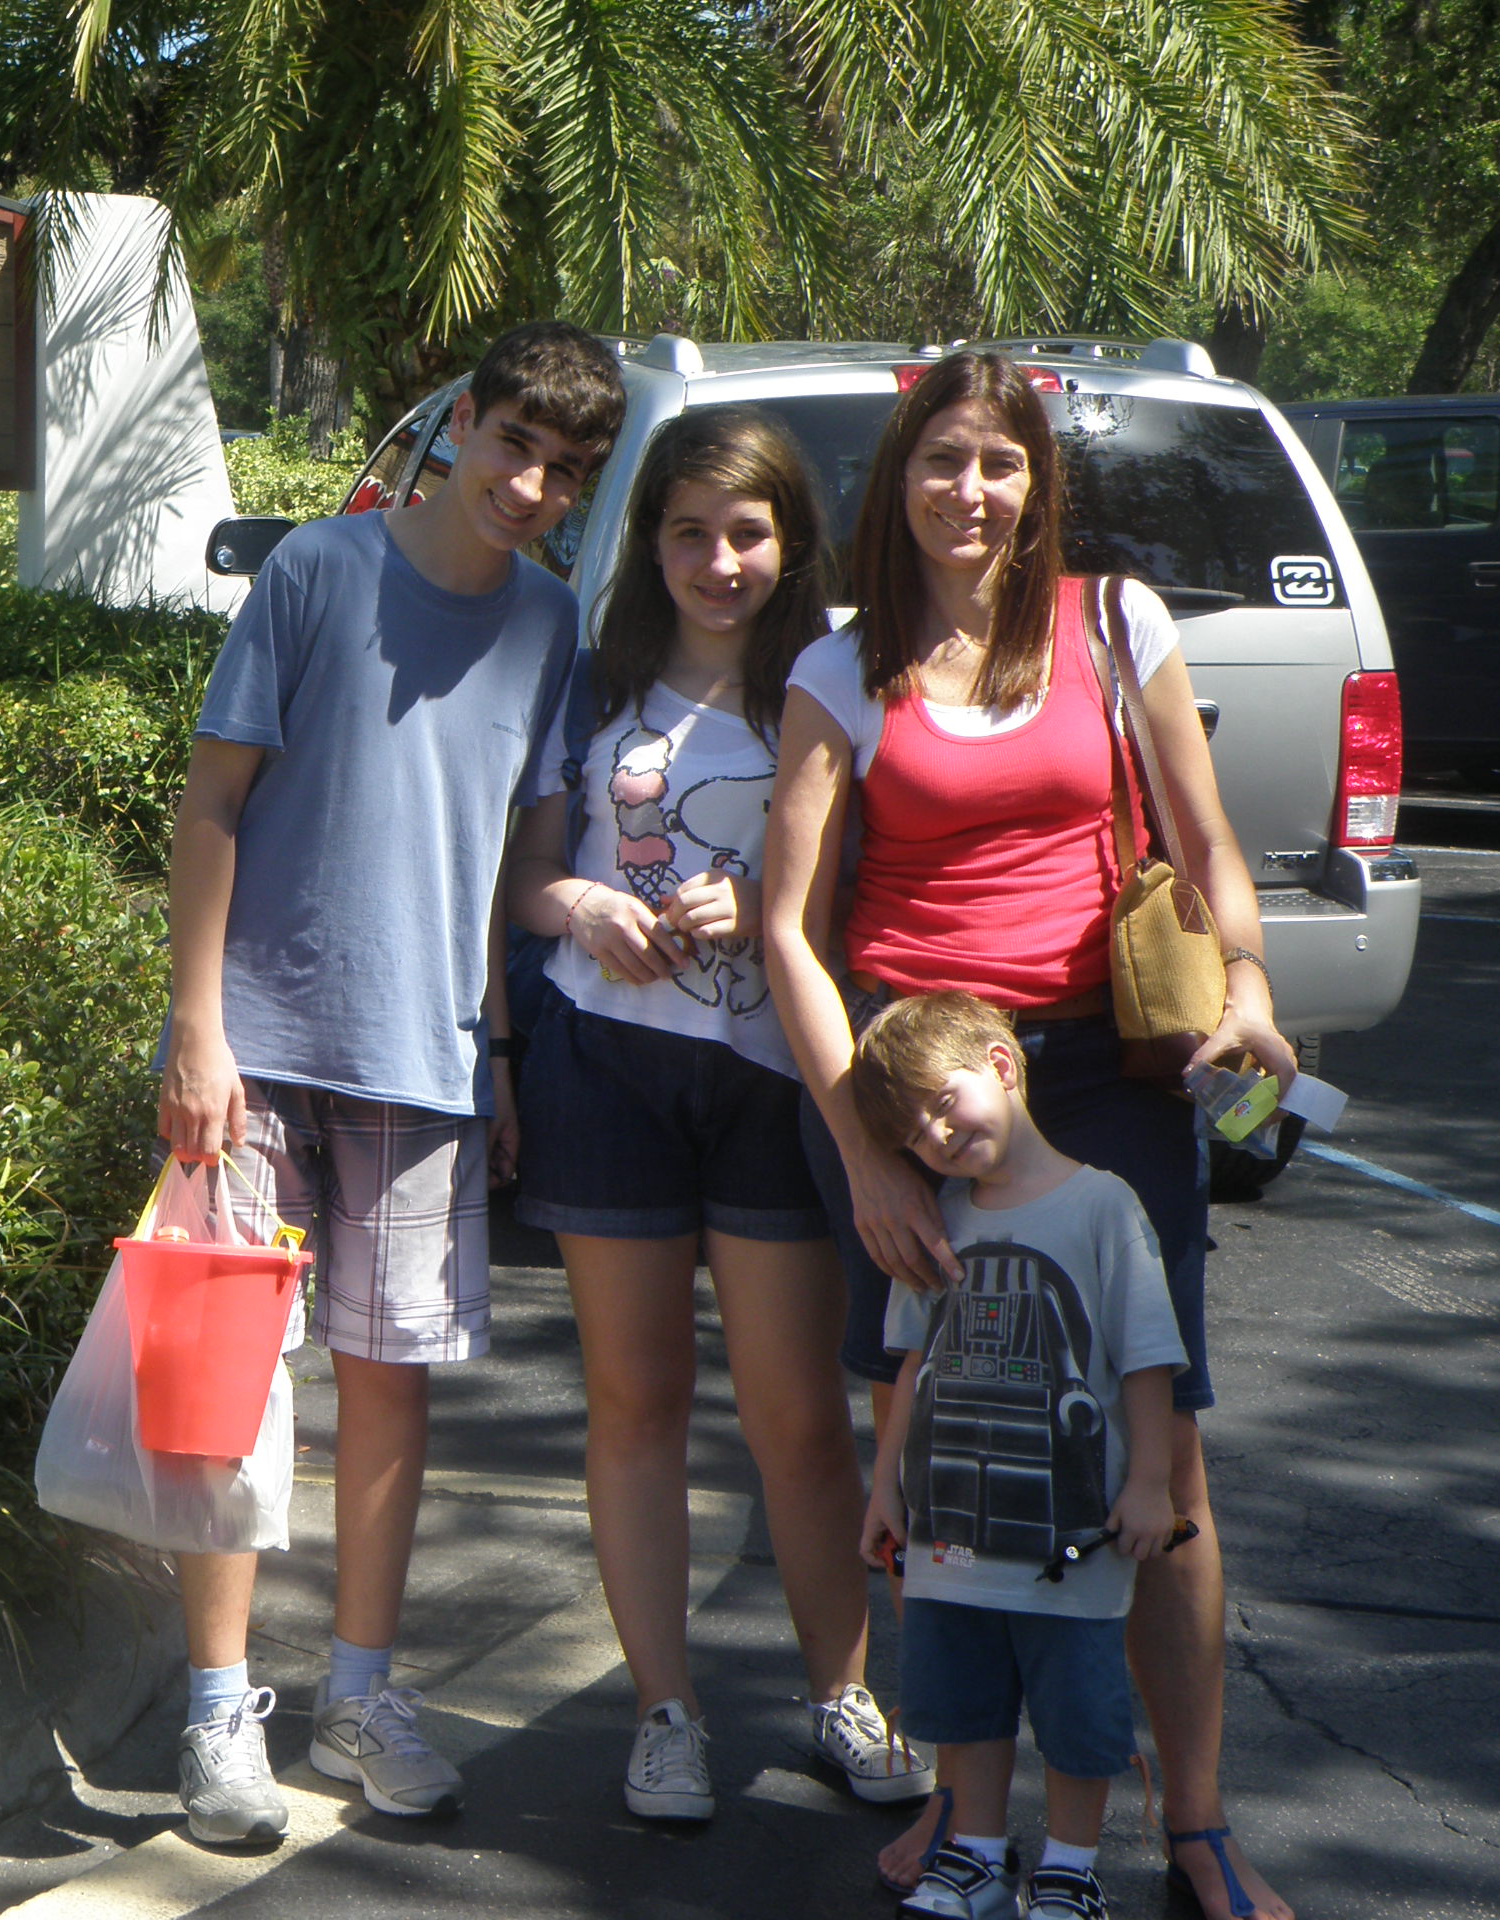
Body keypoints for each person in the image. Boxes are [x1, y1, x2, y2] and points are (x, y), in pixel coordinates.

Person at [762, 349, 1296, 1920]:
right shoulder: (841, 668)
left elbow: (1206, 842)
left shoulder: (1116, 624)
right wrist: (868, 1152)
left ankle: (1193, 1824)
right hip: (921, 1097)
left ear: (1037, 482)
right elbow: (791, 930)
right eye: (943, 459)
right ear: (900, 480)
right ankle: (967, 1804)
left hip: (1104, 1081)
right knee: (939, 1457)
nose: (971, 491)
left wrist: (1252, 986)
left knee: (1162, 1451)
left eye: (999, 462)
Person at [155, 322, 625, 1845]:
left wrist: (498, 1053)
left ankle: (359, 1695)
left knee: (388, 1389)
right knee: (226, 1388)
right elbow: (212, 804)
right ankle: (217, 1710)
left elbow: (506, 859)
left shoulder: (549, 622)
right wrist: (197, 1030)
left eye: (565, 469)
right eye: (515, 445)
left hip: (427, 1062)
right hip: (256, 1056)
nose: (530, 485)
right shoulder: (317, 570)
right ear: (461, 426)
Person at [503, 407, 932, 1823]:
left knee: (795, 1416)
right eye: (688, 532)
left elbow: (876, 878)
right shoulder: (592, 679)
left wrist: (763, 905)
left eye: (747, 533)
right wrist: (584, 907)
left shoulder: (837, 675)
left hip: (776, 1081)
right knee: (635, 1403)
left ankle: (842, 1694)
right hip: (605, 1068)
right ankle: (664, 1714)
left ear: (792, 543)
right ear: (651, 544)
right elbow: (530, 874)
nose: (718, 562)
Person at [852, 991, 1189, 1920]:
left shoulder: (1102, 1205)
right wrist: (886, 1485)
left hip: (1069, 1534)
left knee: (1079, 1708)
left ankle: (1071, 1867)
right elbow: (913, 1363)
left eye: (940, 1104)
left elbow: (1147, 1359)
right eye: (913, 1135)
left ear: (1001, 1066)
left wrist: (1150, 1483)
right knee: (963, 1700)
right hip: (951, 1530)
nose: (935, 1137)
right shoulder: (939, 1218)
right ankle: (975, 1854)